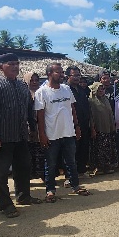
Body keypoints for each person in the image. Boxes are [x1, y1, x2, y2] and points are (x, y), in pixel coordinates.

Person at [0, 53, 42, 219]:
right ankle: (5, 205)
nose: (15, 67)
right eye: (11, 64)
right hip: (2, 137)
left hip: (21, 135)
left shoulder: (22, 86)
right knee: (0, 173)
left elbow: (29, 109)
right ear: (1, 67)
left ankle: (24, 196)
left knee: (23, 167)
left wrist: (33, 128)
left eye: (17, 64)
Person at [35, 63, 89, 201]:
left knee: (71, 161)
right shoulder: (41, 92)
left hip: (68, 132)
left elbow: (72, 109)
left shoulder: (66, 89)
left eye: (61, 72)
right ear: (49, 74)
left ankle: (75, 186)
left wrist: (76, 127)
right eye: (58, 72)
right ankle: (51, 191)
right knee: (51, 163)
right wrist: (42, 134)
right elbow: (40, 116)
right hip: (52, 134)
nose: (62, 75)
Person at [66, 65, 92, 177]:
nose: (77, 78)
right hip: (71, 125)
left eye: (78, 75)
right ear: (68, 76)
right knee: (72, 150)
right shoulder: (65, 90)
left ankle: (81, 170)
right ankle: (70, 174)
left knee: (83, 147)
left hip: (84, 124)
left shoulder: (82, 90)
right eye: (74, 75)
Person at [89, 82, 117, 175]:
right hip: (98, 129)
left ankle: (107, 166)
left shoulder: (106, 100)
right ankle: (99, 167)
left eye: (103, 89)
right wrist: (92, 129)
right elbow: (91, 117)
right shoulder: (91, 101)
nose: (101, 91)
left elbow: (110, 114)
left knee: (107, 148)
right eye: (99, 89)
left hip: (108, 128)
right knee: (98, 149)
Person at [24, 71, 46, 180]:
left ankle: (43, 175)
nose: (34, 82)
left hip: (43, 126)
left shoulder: (43, 92)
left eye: (36, 80)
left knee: (42, 152)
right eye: (31, 80)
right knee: (29, 154)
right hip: (29, 128)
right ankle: (29, 177)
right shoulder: (24, 93)